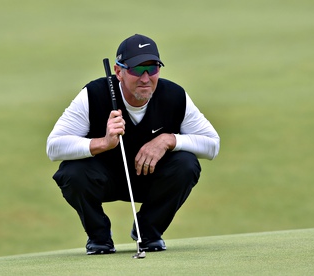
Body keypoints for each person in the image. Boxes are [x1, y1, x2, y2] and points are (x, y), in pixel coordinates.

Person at [46, 34, 220, 255]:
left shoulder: (174, 96)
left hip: (150, 179)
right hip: (102, 179)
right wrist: (103, 143)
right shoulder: (93, 95)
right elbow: (54, 147)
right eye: (137, 70)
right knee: (71, 172)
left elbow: (212, 145)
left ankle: (148, 232)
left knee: (186, 163)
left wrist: (169, 140)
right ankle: (99, 237)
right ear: (118, 72)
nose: (146, 78)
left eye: (153, 68)